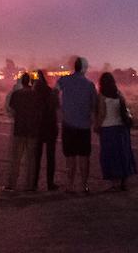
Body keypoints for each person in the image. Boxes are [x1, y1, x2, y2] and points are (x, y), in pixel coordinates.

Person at [57, 56, 98, 194]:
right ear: (85, 68)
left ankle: (70, 186)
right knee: (84, 157)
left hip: (68, 124)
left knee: (70, 157)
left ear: (74, 67)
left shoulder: (64, 80)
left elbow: (54, 91)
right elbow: (94, 106)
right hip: (84, 126)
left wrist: (59, 108)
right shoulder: (90, 85)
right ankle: (84, 186)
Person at [94, 72, 137, 191]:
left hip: (108, 128)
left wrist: (96, 126)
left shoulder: (102, 96)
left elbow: (101, 115)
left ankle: (114, 183)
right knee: (123, 154)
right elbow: (124, 109)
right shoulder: (118, 94)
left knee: (110, 155)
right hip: (121, 128)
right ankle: (124, 182)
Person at [4, 72, 39, 191]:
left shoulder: (16, 95)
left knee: (16, 159)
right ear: (29, 81)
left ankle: (12, 184)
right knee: (31, 160)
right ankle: (30, 185)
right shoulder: (35, 95)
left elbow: (12, 110)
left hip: (19, 129)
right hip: (32, 130)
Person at [31, 69, 59, 191]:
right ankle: (50, 183)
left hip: (38, 128)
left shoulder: (34, 95)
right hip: (51, 127)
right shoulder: (51, 93)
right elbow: (57, 107)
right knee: (50, 157)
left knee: (36, 157)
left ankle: (34, 183)